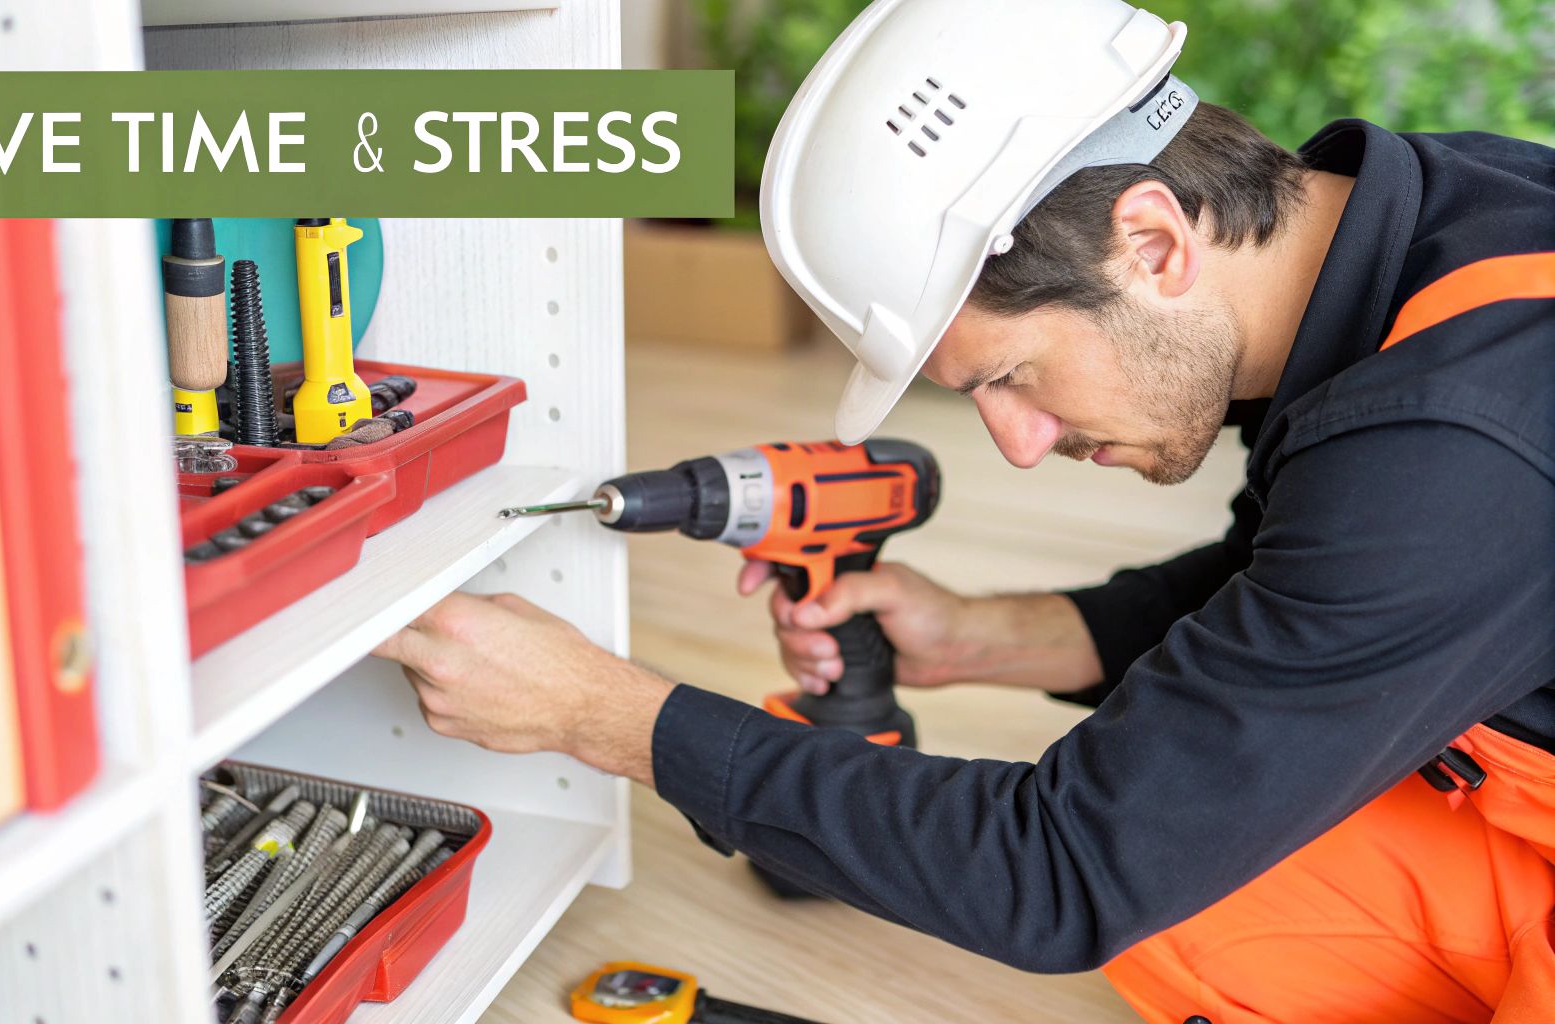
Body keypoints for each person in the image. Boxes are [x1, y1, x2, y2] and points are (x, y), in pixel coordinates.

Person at [373, 0, 1555, 1019]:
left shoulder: (1453, 443)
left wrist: (602, 713)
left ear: (1148, 241)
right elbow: (1299, 582)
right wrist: (988, 633)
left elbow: (1065, 869)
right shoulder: (1429, 228)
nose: (1020, 446)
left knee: (1163, 863)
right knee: (1210, 867)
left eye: (1006, 377)